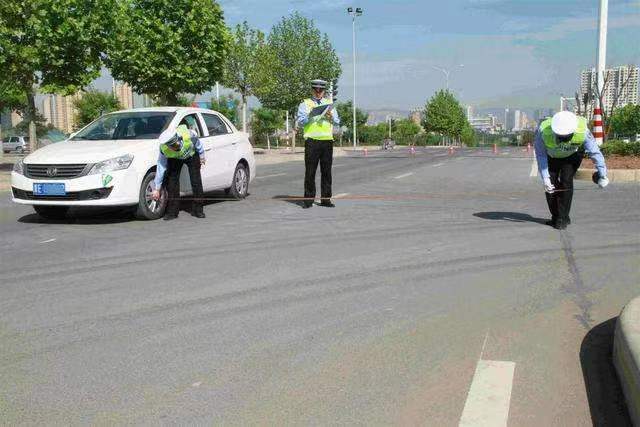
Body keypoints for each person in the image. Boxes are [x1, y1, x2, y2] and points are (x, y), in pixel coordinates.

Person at [534, 111, 608, 230]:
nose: (563, 139)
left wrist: (603, 175)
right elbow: (541, 156)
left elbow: (595, 152)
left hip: (572, 156)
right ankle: (556, 217)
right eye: (560, 136)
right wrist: (546, 179)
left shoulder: (582, 131)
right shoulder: (542, 131)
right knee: (550, 186)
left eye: (566, 136)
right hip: (551, 157)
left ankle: (562, 218)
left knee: (566, 181)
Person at [296, 79, 340, 209]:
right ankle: (308, 200)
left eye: (321, 90)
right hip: (312, 141)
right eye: (316, 90)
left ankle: (326, 199)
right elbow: (301, 122)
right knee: (310, 172)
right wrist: (311, 115)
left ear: (324, 91)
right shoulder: (305, 104)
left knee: (326, 172)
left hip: (327, 141)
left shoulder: (329, 104)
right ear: (312, 90)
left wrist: (330, 117)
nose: (318, 92)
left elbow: (337, 121)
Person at [151, 118, 206, 220]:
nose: (174, 147)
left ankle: (198, 209)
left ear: (178, 138)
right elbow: (161, 167)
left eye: (175, 144)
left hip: (191, 155)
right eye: (171, 146)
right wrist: (157, 188)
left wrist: (202, 156)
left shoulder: (189, 135)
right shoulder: (164, 149)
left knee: (196, 180)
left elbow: (198, 145)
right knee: (172, 182)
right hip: (175, 158)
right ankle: (172, 212)